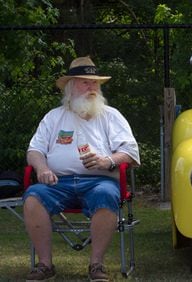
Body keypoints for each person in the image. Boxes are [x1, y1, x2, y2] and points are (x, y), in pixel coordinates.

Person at [23, 56, 140, 281]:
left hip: (100, 181)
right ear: (70, 86)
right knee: (33, 198)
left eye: (94, 82)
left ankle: (96, 265)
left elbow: (131, 153)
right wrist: (42, 168)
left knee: (106, 195)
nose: (92, 87)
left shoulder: (111, 116)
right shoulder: (53, 118)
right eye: (85, 82)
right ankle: (45, 265)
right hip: (57, 182)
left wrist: (108, 161)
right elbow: (34, 151)